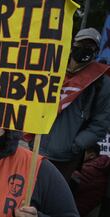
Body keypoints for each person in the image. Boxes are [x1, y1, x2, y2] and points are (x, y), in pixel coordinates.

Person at [34, 28, 110, 181]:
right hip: (34, 149)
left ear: (96, 52)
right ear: (72, 44)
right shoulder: (52, 68)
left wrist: (75, 145)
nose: (84, 50)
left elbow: (101, 123)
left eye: (90, 47)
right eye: (81, 44)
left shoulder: (100, 82)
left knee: (51, 201)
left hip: (64, 159)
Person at [71, 144, 110, 216]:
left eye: (81, 153)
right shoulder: (97, 167)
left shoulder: (91, 170)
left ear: (91, 155)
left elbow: (69, 181)